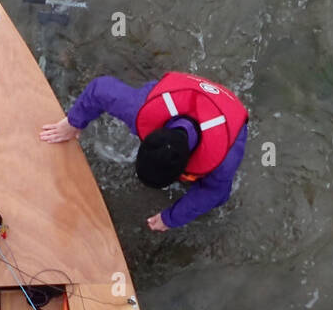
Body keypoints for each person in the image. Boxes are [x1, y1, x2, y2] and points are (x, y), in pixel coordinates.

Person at [39, 71, 248, 231]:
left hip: (227, 114)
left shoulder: (224, 161)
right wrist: (73, 123)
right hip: (181, 93)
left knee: (219, 197)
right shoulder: (138, 109)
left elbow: (216, 193)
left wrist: (171, 218)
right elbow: (100, 89)